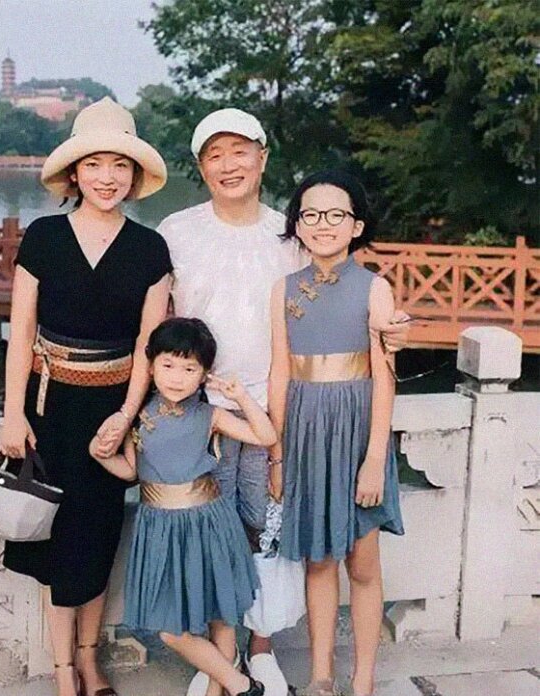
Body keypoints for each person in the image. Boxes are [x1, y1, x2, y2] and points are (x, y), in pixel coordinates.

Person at [156, 108, 410, 696]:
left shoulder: (287, 237)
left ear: (262, 157)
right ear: (200, 166)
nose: (229, 164)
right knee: (210, 531)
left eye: (240, 151)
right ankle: (218, 657)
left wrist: (391, 333)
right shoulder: (175, 232)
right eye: (215, 154)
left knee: (266, 532)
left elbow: (337, 305)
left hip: (279, 413)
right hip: (202, 408)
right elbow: (155, 316)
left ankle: (262, 648)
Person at [0, 97, 172, 696]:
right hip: (48, 406)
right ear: (74, 172)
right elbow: (21, 332)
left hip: (111, 412)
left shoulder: (150, 250)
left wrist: (126, 415)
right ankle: (62, 669)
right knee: (53, 539)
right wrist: (13, 412)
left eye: (119, 165)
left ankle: (90, 658)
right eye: (94, 164)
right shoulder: (43, 237)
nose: (107, 177)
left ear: (134, 175)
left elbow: (149, 343)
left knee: (98, 538)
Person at [268, 171, 405, 696]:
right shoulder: (283, 289)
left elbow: (384, 379)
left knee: (362, 562)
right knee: (318, 559)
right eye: (311, 214)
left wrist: (374, 460)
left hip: (356, 433)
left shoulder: (375, 288)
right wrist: (277, 453)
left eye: (335, 215)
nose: (322, 224)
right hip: (305, 432)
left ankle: (363, 676)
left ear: (356, 226)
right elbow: (280, 373)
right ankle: (321, 676)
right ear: (297, 224)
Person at [90, 317, 276, 696]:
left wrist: (242, 397)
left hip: (208, 522)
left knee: (221, 616)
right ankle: (242, 685)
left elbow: (265, 435)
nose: (177, 377)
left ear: (204, 374)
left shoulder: (210, 415)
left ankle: (221, 691)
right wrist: (99, 454)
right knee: (170, 630)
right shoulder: (138, 417)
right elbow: (131, 471)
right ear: (151, 366)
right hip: (160, 528)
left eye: (189, 368)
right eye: (168, 365)